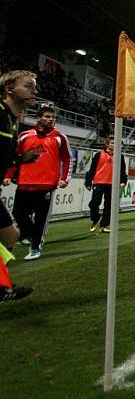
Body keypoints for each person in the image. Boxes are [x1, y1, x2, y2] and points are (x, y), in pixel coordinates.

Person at [3, 104, 71, 260]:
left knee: (41, 218)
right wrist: (8, 174)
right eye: (47, 117)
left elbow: (67, 159)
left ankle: (35, 248)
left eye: (53, 118)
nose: (51, 120)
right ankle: (31, 235)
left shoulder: (60, 137)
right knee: (18, 214)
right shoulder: (25, 136)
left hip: (47, 184)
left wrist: (65, 179)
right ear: (39, 118)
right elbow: (15, 157)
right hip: (25, 182)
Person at [0, 70, 40, 302]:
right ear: (9, 89)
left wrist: (20, 160)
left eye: (35, 87)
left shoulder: (12, 120)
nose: (34, 91)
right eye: (28, 86)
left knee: (11, 235)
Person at [84, 137, 127, 233]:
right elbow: (92, 169)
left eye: (115, 143)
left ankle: (104, 225)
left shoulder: (120, 156)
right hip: (98, 182)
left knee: (109, 205)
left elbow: (122, 170)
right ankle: (95, 219)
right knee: (94, 203)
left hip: (112, 184)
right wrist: (88, 182)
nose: (114, 144)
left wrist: (123, 181)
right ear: (107, 144)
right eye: (112, 142)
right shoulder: (99, 154)